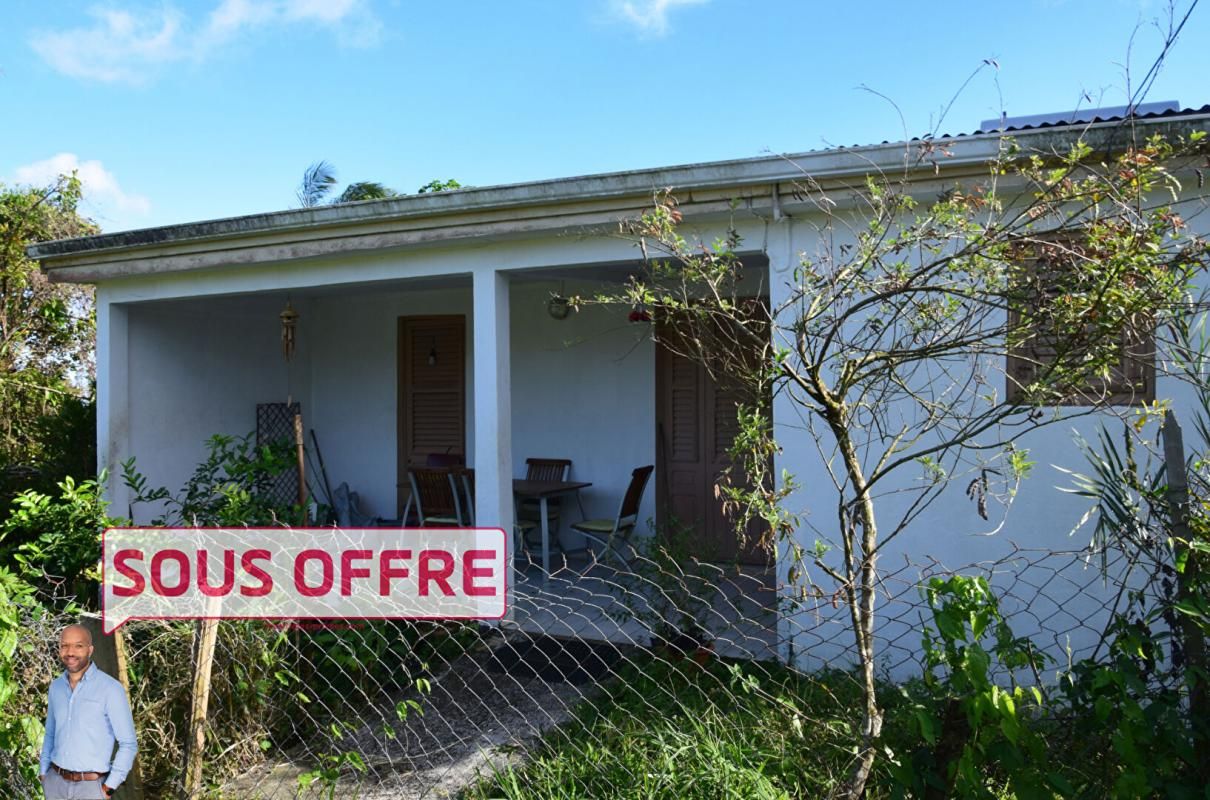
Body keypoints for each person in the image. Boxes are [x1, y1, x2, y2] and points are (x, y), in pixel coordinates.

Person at [40, 624, 138, 799]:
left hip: (91, 788)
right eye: (65, 645)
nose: (70, 652)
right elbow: (50, 734)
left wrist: (108, 788)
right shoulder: (56, 687)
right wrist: (44, 774)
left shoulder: (110, 689)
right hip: (55, 784)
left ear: (90, 649)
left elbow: (128, 744)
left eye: (78, 646)